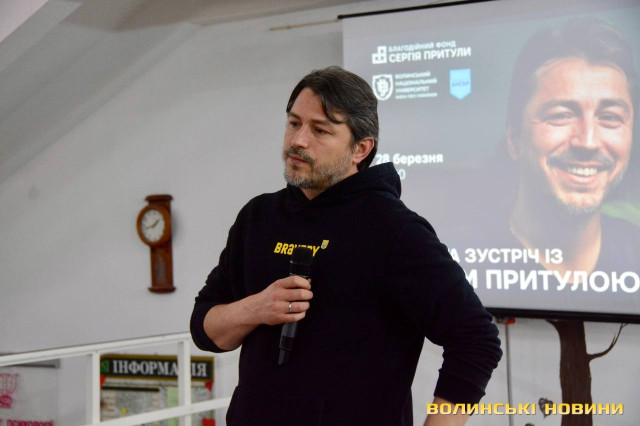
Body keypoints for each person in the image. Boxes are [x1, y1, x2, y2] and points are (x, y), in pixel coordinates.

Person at [190, 66, 502, 425]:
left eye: (320, 130)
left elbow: (476, 340)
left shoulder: (394, 229)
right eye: (294, 123)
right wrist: (256, 308)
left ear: (360, 149)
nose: (298, 140)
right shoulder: (257, 217)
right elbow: (205, 329)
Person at [504, 17, 639, 285]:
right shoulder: (452, 260)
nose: (588, 142)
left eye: (610, 117)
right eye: (561, 115)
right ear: (515, 139)